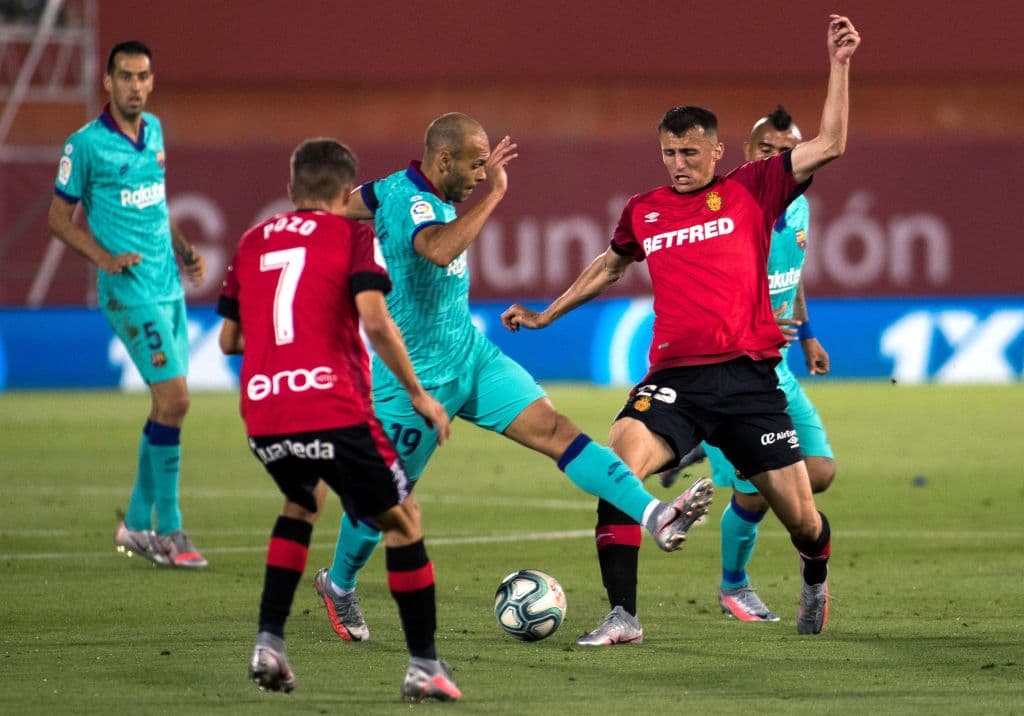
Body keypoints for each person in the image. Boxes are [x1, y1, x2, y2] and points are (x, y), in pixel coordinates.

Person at [502, 15, 861, 641]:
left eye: (690, 152)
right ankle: (622, 616)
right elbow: (611, 265)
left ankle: (813, 578)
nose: (679, 164)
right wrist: (547, 313)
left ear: (717, 151)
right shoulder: (645, 209)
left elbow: (830, 143)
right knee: (616, 468)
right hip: (675, 379)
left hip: (751, 381)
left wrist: (839, 63)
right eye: (669, 152)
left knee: (805, 519)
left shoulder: (755, 188)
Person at [313, 112, 713, 644]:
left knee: (558, 430)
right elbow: (438, 248)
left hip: (472, 357)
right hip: (416, 377)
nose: (482, 175)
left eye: (487, 168)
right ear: (444, 160)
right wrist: (495, 195)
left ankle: (656, 514)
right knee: (386, 497)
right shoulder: (414, 204)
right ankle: (337, 583)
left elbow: (341, 204)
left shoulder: (387, 189)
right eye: (476, 165)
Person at [217, 138, 461, 701]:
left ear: (291, 190)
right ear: (346, 191)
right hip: (331, 406)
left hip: (264, 410)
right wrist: (420, 395)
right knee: (403, 519)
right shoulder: (354, 234)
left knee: (302, 503)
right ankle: (424, 665)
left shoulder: (252, 241)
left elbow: (230, 338)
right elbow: (374, 321)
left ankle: (270, 643)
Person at [660, 105, 837, 622]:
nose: (782, 160)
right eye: (769, 152)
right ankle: (733, 585)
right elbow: (709, 290)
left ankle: (693, 445)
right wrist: (754, 326)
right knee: (756, 493)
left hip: (778, 367)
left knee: (821, 473)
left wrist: (806, 336)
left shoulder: (798, 207)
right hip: (733, 370)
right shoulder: (734, 207)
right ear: (746, 153)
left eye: (789, 151)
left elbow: (793, 272)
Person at [47, 40, 207, 569]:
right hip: (129, 291)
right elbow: (57, 219)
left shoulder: (155, 132)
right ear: (107, 83)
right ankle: (172, 529)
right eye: (125, 76)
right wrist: (105, 258)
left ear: (151, 81)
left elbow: (157, 205)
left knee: (168, 406)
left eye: (143, 76)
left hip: (167, 286)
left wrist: (184, 250)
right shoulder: (85, 146)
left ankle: (137, 526)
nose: (135, 85)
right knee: (178, 400)